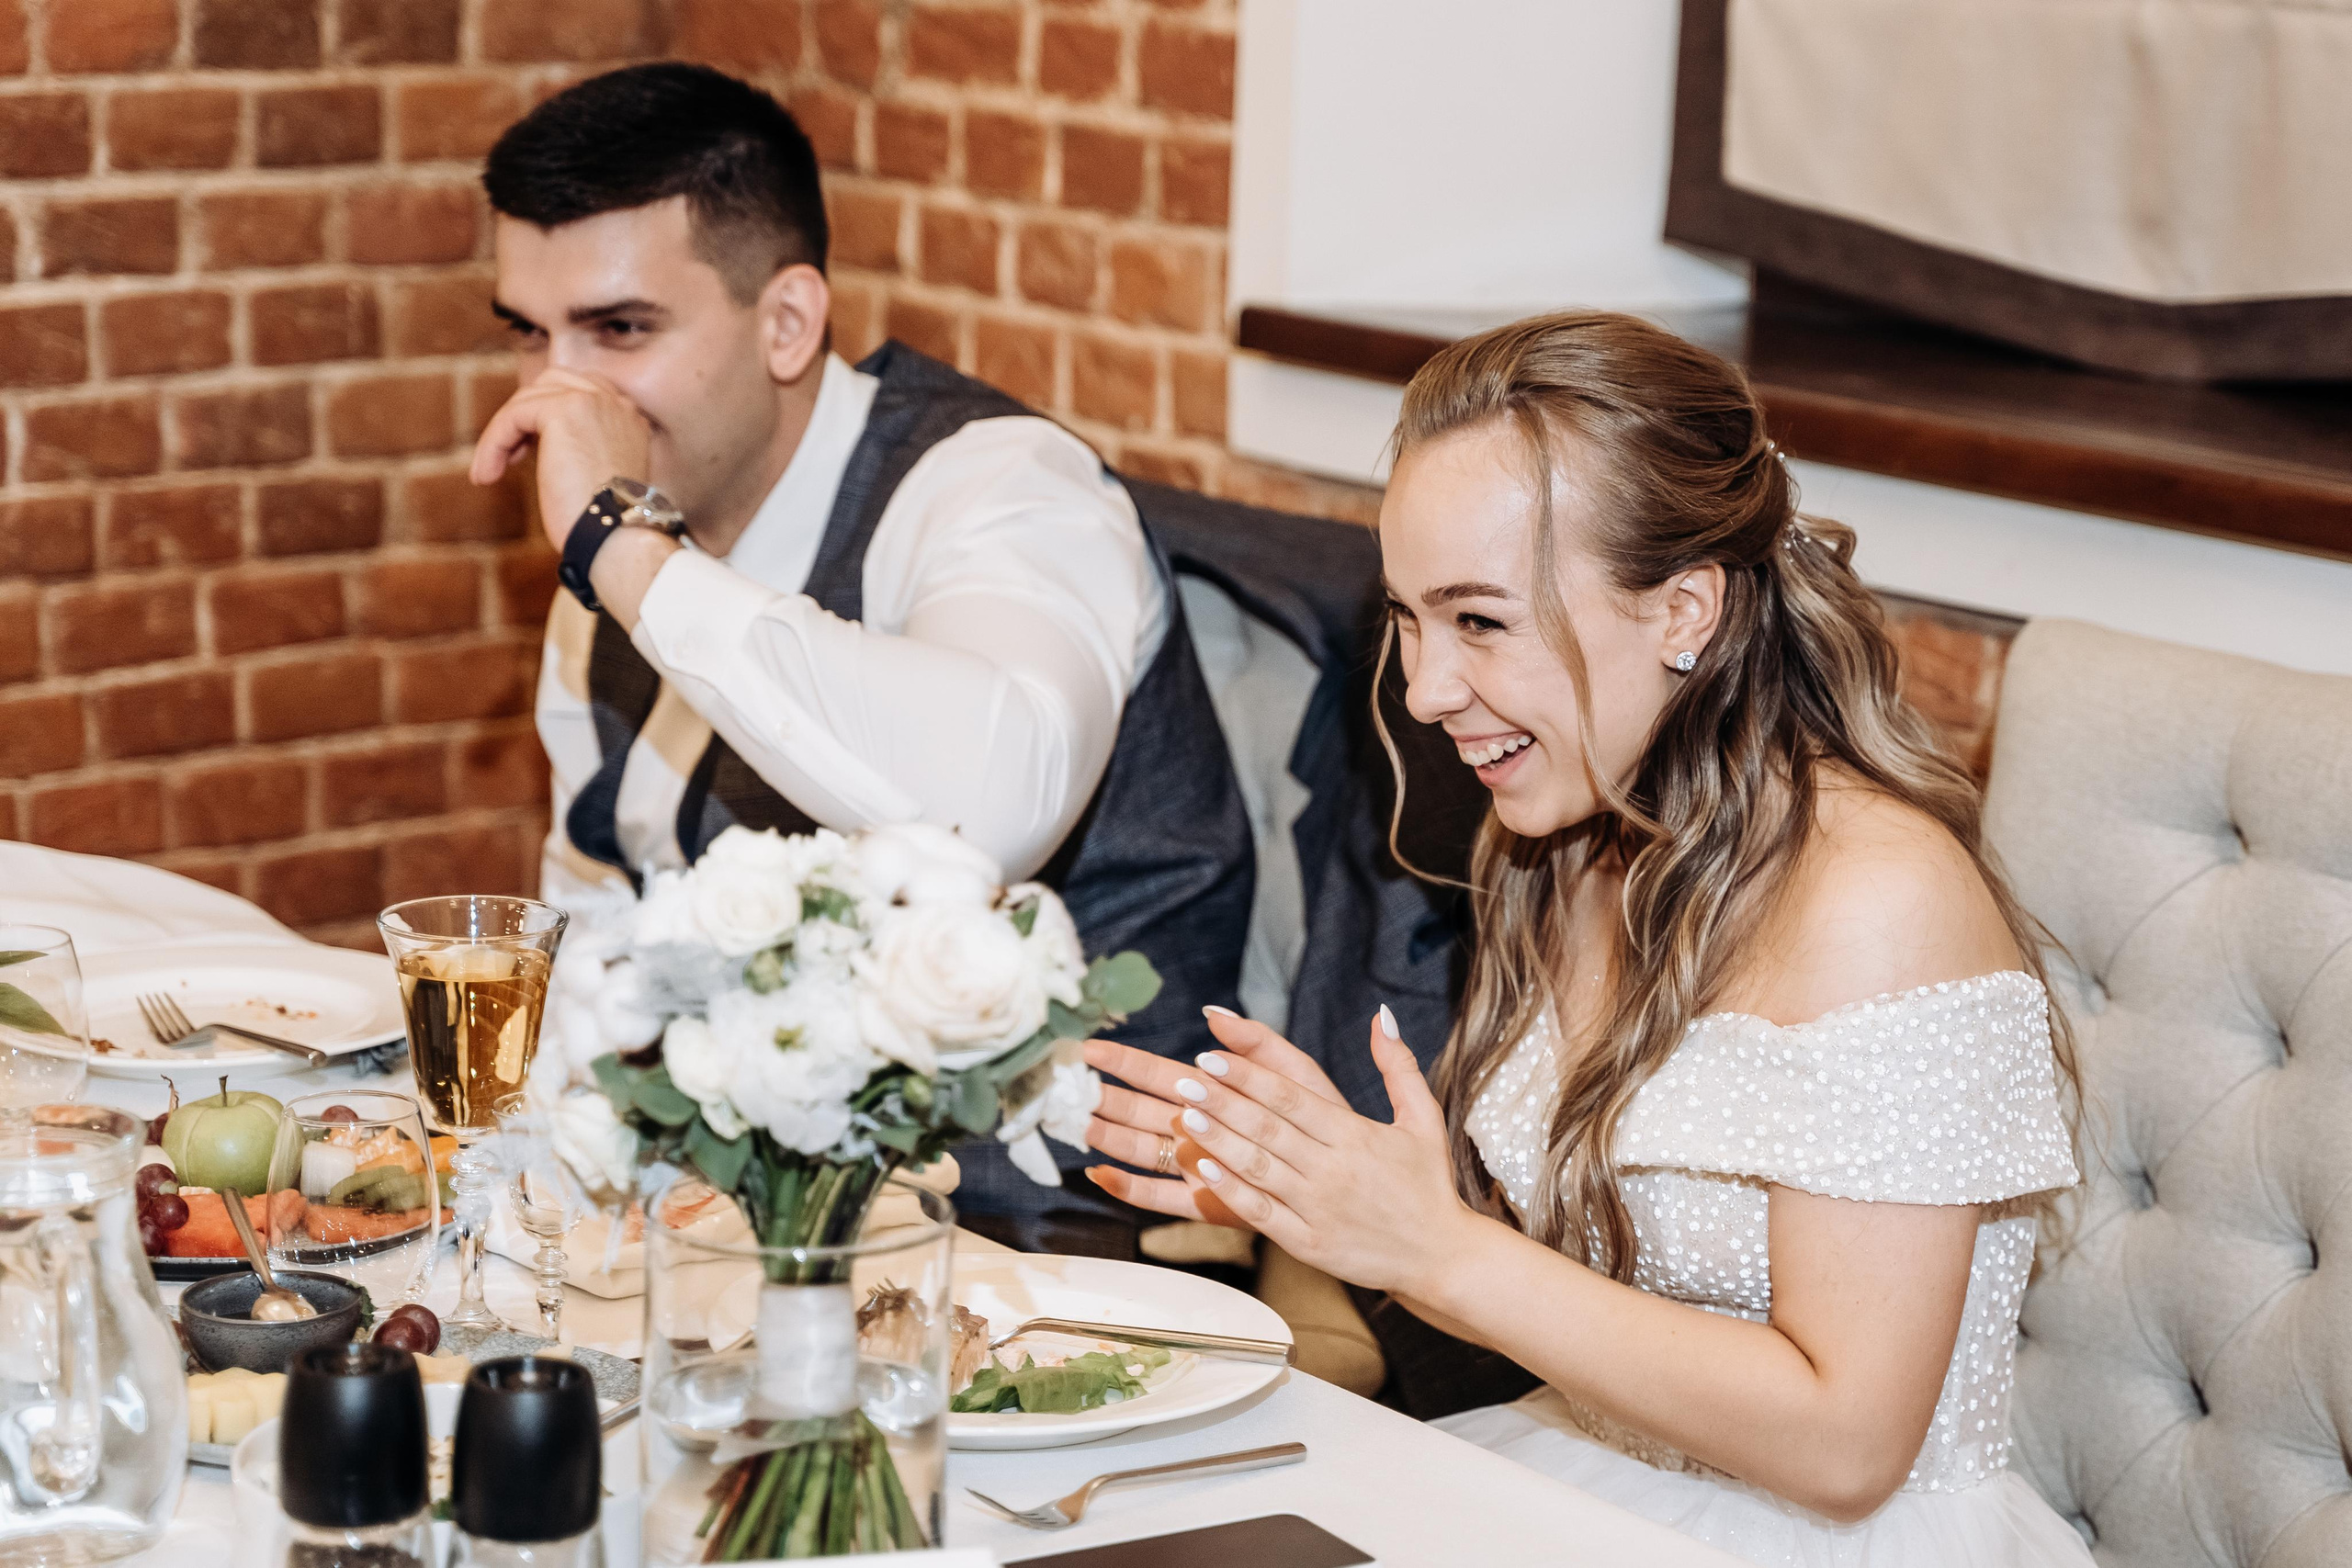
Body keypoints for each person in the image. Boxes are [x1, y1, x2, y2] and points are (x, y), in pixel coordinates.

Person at [1082, 312, 2097, 1564]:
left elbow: (1849, 1445)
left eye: (1480, 622)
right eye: (1406, 617)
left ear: (1684, 609)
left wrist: (1436, 1246)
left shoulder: (1880, 903)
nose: (1423, 689)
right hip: (1585, 1478)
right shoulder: (1556, 839)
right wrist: (1323, 1196)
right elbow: (1569, 1306)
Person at [471, 62, 1251, 1240]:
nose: (559, 394)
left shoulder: (1002, 491)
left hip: (1058, 1261)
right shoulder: (635, 537)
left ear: (786, 322)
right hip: (730, 1237)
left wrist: (620, 552)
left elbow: (981, 811)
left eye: (618, 330)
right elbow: (601, 897)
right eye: (530, 335)